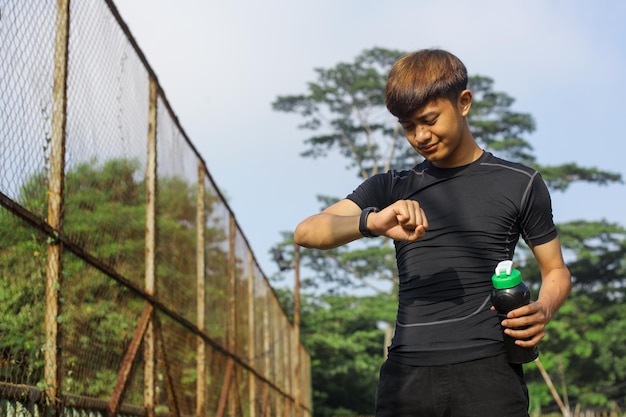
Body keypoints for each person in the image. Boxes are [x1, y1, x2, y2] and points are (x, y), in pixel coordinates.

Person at [293, 49, 571, 417]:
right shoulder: (392, 186)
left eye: (429, 119)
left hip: (489, 373)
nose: (420, 136)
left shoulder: (520, 183)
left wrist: (544, 309)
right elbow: (307, 231)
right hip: (405, 376)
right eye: (409, 127)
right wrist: (372, 222)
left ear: (464, 102)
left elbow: (556, 271)